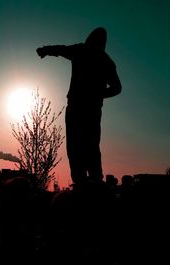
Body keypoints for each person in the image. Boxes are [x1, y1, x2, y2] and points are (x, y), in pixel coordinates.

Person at [36, 27, 121, 186]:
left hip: (81, 106)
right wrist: (99, 93)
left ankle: (87, 178)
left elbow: (62, 49)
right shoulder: (103, 59)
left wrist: (45, 50)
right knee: (86, 144)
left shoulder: (85, 51)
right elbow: (117, 88)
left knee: (80, 145)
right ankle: (90, 178)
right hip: (87, 107)